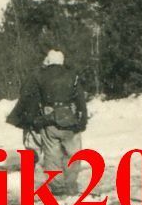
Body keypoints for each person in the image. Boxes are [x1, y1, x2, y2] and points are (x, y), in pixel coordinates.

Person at [6, 49, 88, 194]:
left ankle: (57, 187)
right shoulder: (72, 75)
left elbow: (32, 98)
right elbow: (80, 98)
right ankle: (70, 185)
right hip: (70, 117)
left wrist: (32, 119)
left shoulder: (39, 76)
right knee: (74, 153)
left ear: (48, 61)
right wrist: (83, 119)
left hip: (49, 117)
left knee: (51, 155)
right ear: (62, 61)